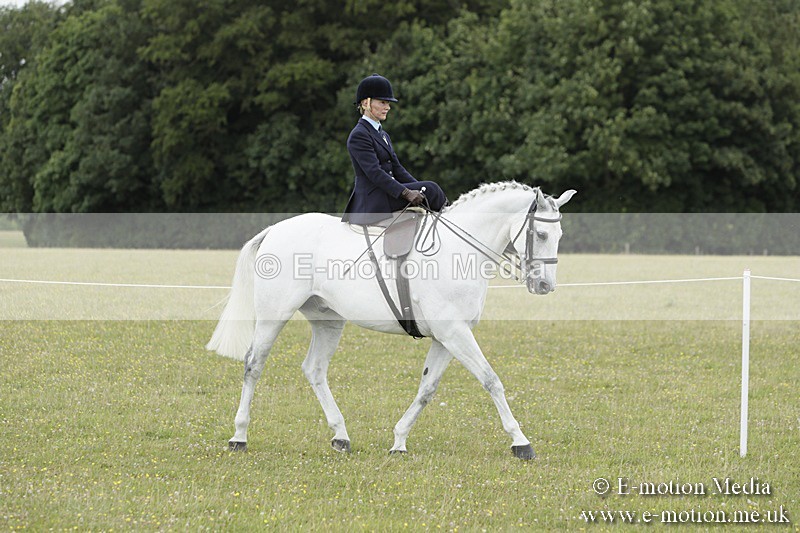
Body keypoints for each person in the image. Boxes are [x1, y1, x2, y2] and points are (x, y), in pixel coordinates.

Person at [341, 74, 446, 225]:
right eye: (383, 102)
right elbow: (374, 173)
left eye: (388, 103)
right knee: (432, 189)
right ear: (366, 103)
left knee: (429, 189)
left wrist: (417, 188)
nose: (388, 107)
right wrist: (405, 192)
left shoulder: (383, 134)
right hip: (373, 199)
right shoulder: (359, 135)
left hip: (387, 193)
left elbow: (398, 169)